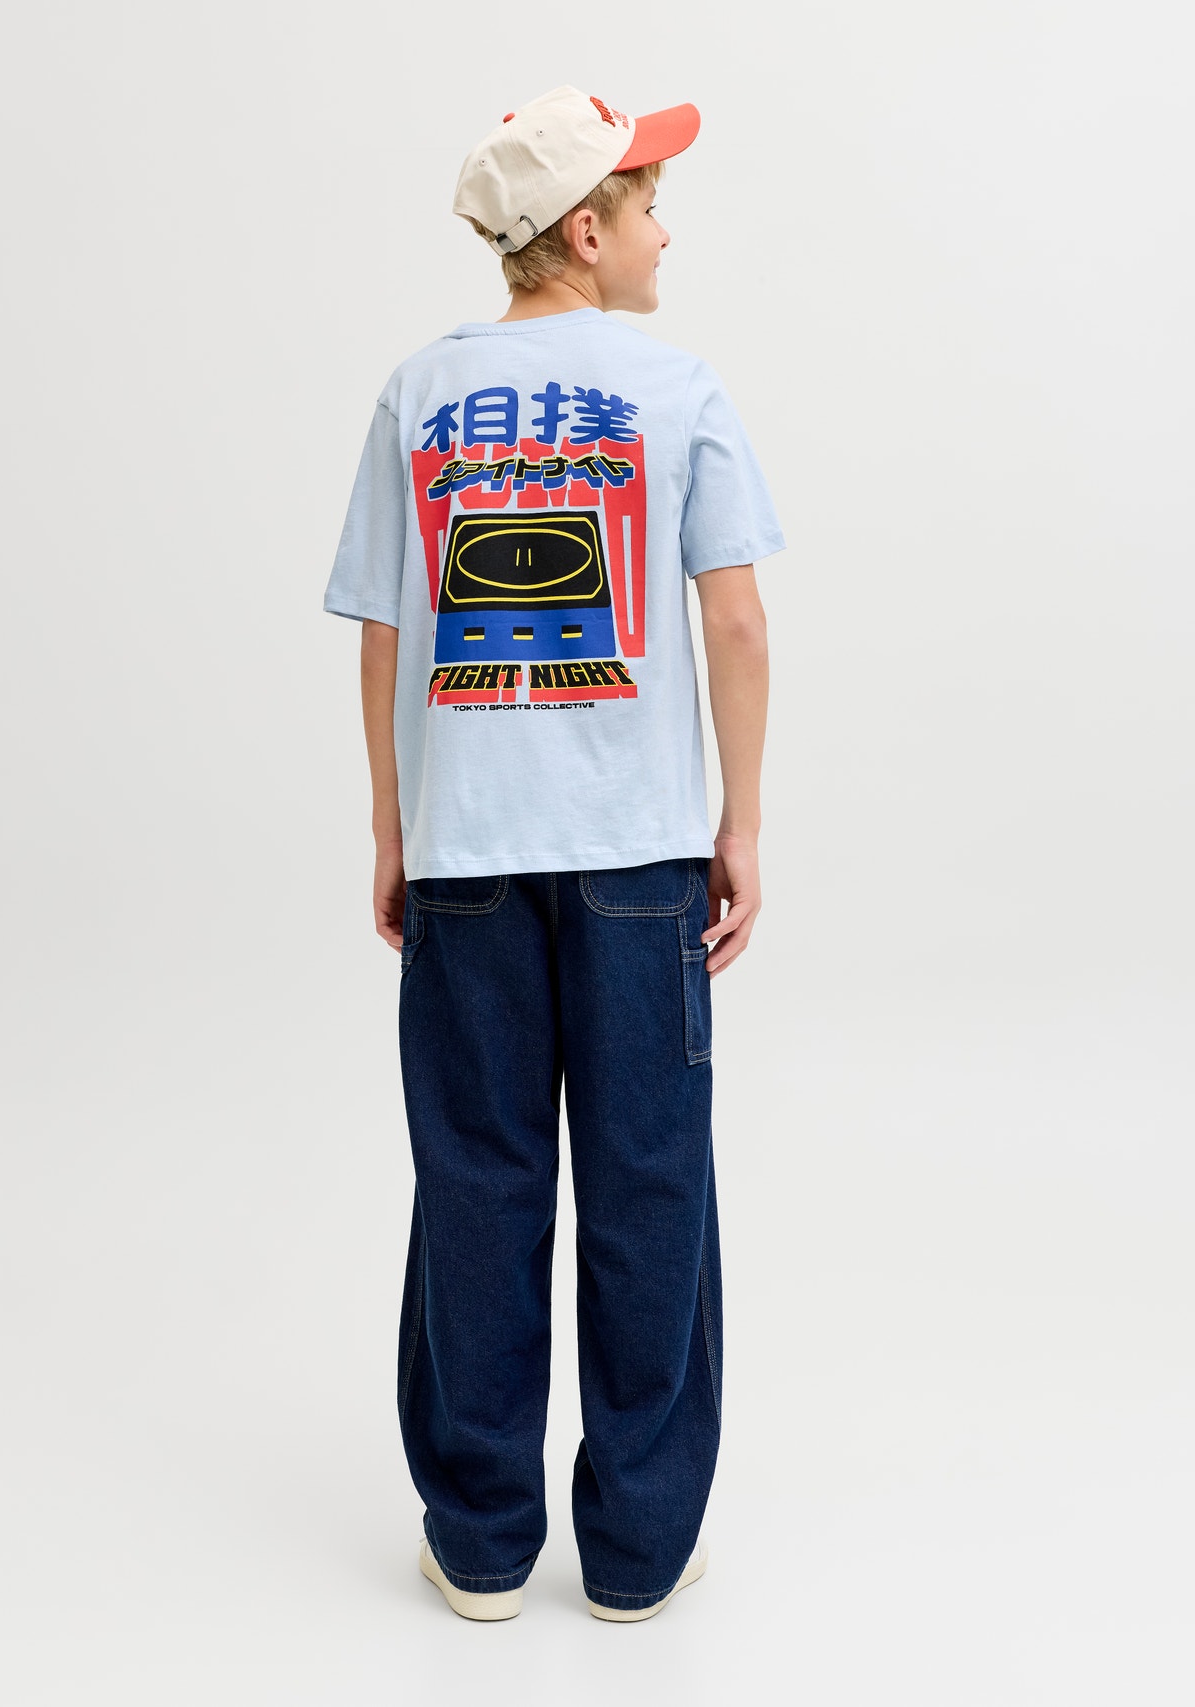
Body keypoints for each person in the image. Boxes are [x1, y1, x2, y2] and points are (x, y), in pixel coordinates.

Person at [322, 84, 786, 1623]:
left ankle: (481, 1545)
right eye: (650, 205)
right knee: (650, 1188)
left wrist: (393, 826)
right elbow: (734, 620)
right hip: (640, 858)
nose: (666, 233)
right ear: (585, 230)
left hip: (467, 855)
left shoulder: (418, 393)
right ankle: (640, 1552)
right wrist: (742, 823)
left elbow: (383, 633)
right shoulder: (678, 388)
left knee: (479, 1183)